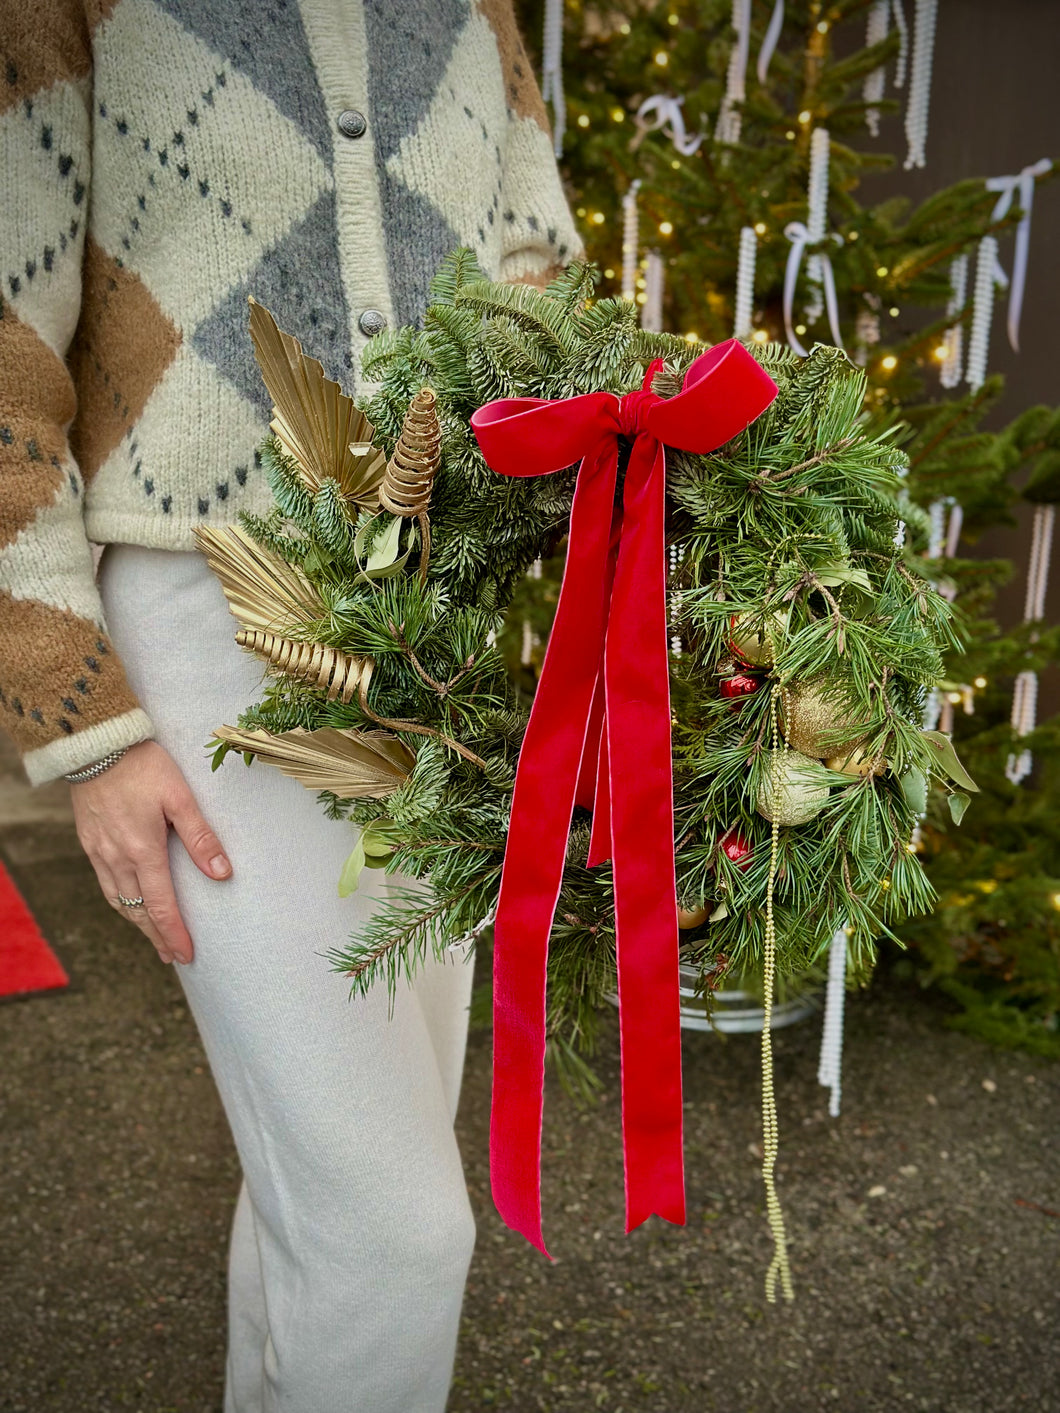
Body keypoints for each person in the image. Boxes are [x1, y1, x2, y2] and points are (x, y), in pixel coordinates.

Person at [0, 3, 582, 1409]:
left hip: (437, 628)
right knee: (394, 1229)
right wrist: (91, 723)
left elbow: (539, 268)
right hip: (208, 616)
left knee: (325, 1192)